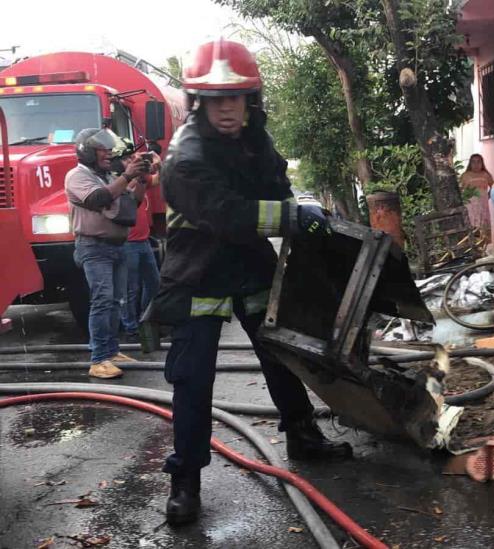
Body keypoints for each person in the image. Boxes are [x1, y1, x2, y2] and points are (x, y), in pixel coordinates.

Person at [149, 39, 353, 526]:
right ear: (198, 102)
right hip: (199, 273)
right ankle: (186, 481)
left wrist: (298, 218)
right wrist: (290, 215)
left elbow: (276, 186)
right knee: (193, 380)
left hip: (249, 268)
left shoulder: (255, 139)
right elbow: (231, 215)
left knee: (282, 356)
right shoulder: (184, 156)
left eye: (234, 98)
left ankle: (302, 435)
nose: (226, 109)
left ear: (250, 100)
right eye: (216, 99)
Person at [65, 128, 148, 378]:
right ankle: (99, 359)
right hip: (94, 247)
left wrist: (141, 179)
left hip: (115, 246)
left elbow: (132, 203)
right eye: (103, 149)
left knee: (115, 302)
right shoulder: (77, 176)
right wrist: (126, 175)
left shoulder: (106, 176)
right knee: (102, 301)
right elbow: (99, 199)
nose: (109, 153)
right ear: (88, 152)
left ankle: (111, 351)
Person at [111, 145, 162, 340]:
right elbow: (128, 189)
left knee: (154, 284)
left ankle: (143, 318)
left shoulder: (140, 178)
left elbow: (158, 179)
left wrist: (158, 162)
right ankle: (130, 327)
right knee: (130, 288)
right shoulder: (119, 181)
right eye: (128, 159)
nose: (133, 160)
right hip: (128, 243)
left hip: (144, 241)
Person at [459, 153, 493, 241]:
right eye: (473, 162)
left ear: (482, 163)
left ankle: (483, 247)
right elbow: (459, 190)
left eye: (478, 162)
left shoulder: (486, 175)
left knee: (483, 226)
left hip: (483, 206)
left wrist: (488, 196)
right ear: (470, 163)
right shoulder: (465, 175)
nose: (476, 164)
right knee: (472, 226)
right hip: (470, 206)